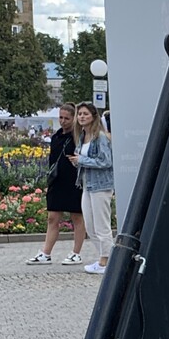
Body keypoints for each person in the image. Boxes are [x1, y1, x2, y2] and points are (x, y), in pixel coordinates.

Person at [26, 103, 87, 266]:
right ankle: (46, 252)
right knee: (52, 217)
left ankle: (76, 252)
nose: (63, 121)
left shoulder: (79, 137)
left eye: (67, 118)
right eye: (61, 117)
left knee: (77, 217)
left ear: (74, 118)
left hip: (74, 181)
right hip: (57, 181)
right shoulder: (56, 136)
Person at [68, 101, 114, 276]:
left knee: (102, 225)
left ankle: (106, 261)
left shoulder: (100, 137)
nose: (81, 117)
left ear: (93, 116)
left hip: (101, 186)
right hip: (87, 184)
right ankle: (104, 257)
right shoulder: (82, 137)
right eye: (80, 114)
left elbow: (106, 161)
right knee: (90, 225)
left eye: (85, 114)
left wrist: (81, 160)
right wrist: (77, 161)